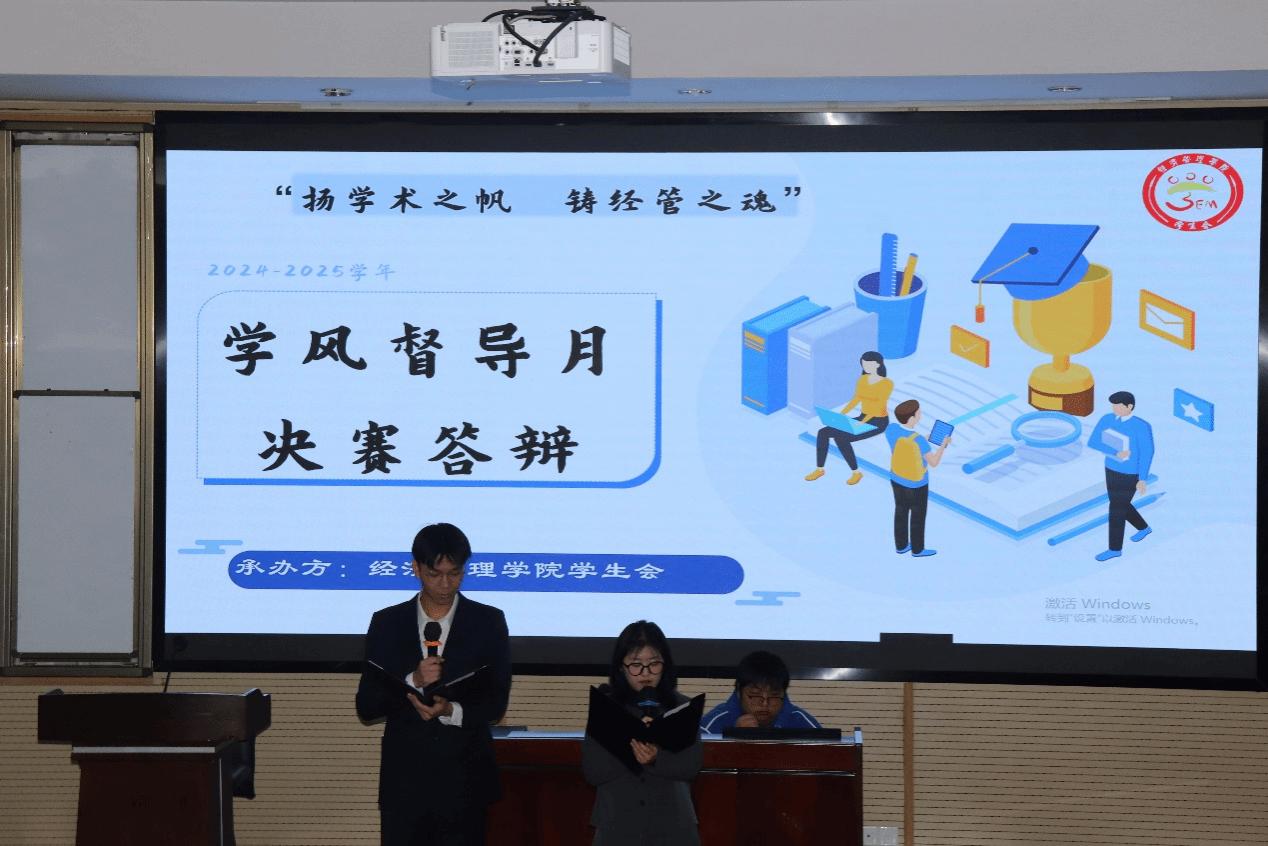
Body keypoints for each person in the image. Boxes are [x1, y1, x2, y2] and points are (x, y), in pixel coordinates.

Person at [355, 523, 512, 846]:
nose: (445, 584)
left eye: (455, 573)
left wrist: (450, 710)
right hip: (404, 786)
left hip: (466, 783)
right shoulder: (387, 623)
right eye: (434, 574)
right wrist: (412, 681)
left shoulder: (488, 622)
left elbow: (495, 702)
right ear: (416, 568)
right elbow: (367, 705)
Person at [582, 620, 703, 846]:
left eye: (654, 664)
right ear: (621, 666)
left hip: (674, 829)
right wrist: (631, 748)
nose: (645, 673)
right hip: (616, 829)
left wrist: (657, 758)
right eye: (636, 664)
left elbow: (691, 767)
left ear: (665, 664)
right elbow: (593, 773)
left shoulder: (682, 708)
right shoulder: (605, 709)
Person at [806, 351, 893, 485]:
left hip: (878, 421)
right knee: (823, 432)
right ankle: (819, 469)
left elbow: (878, 406)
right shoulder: (863, 379)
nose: (865, 367)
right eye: (863, 364)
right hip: (863, 417)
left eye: (868, 364)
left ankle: (856, 472)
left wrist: (862, 422)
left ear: (878, 364)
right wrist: (842, 414)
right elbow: (857, 399)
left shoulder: (887, 384)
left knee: (841, 437)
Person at [1088, 391, 1155, 562]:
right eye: (1113, 406)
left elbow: (1147, 453)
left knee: (1116, 509)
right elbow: (1093, 441)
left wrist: (1142, 478)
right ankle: (1143, 528)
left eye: (1118, 406)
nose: (1114, 409)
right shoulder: (1107, 419)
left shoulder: (1141, 426)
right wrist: (1115, 452)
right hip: (1111, 468)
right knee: (1119, 504)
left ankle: (1115, 549)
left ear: (1129, 407)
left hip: (1131, 473)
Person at [886, 399, 950, 558]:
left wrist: (924, 439)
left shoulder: (891, 429)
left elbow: (906, 441)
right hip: (917, 483)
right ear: (912, 418)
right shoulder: (919, 440)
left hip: (896, 478)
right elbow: (933, 462)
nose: (920, 415)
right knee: (917, 516)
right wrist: (943, 445)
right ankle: (917, 549)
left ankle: (901, 546)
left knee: (900, 511)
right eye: (918, 413)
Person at [699, 650, 821, 732]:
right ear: (739, 693)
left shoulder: (804, 725)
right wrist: (733, 741)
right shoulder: (710, 727)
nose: (765, 704)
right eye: (755, 695)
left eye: (774, 696)